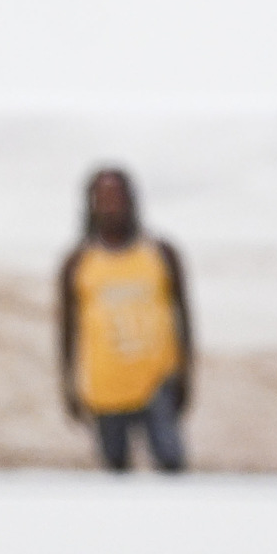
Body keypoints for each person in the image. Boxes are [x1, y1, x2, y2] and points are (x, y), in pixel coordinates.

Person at [59, 165, 192, 474]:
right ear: (90, 204)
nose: (111, 203)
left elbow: (184, 318)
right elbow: (68, 330)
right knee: (116, 469)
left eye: (118, 195)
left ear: (133, 200)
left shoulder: (162, 252)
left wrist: (187, 376)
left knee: (172, 463)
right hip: (106, 388)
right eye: (103, 197)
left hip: (159, 381)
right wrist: (67, 385)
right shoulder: (77, 261)